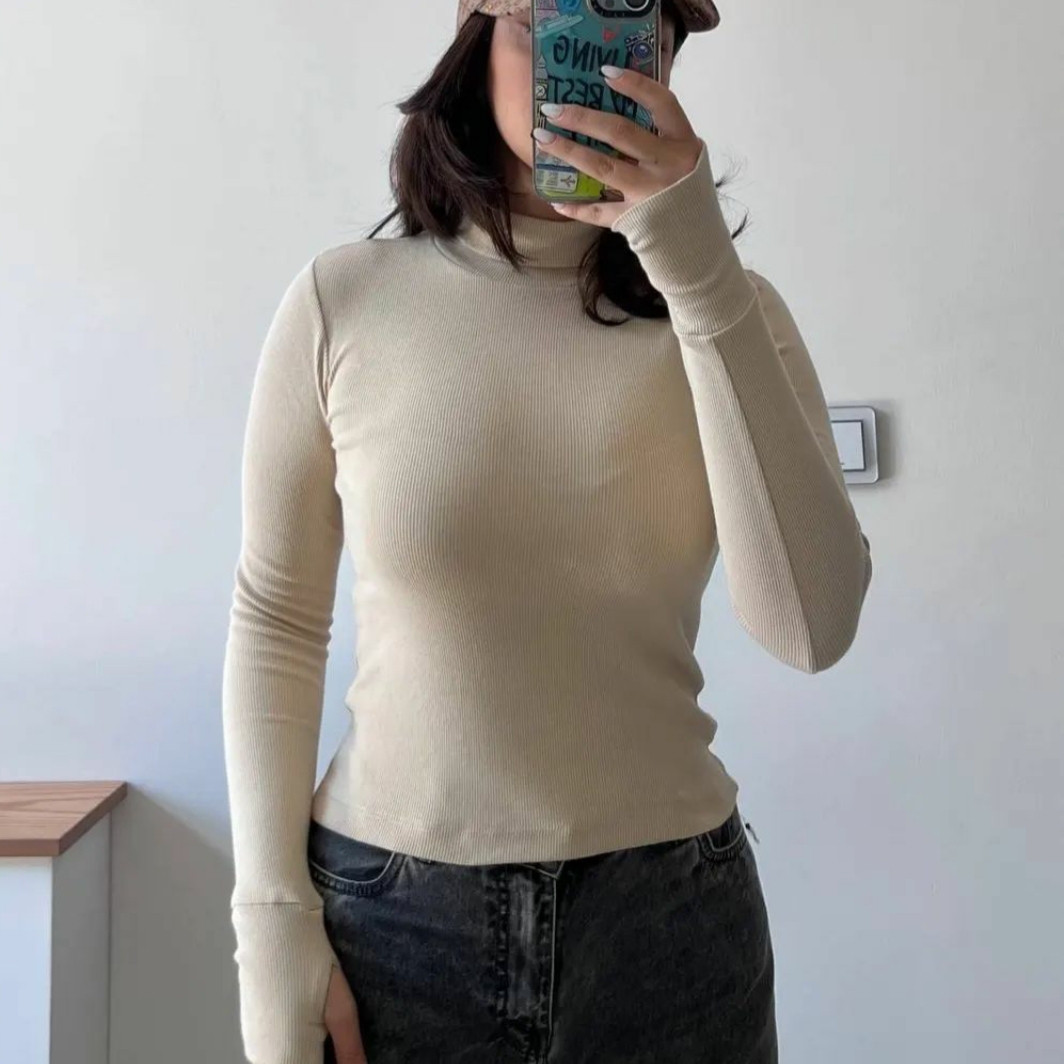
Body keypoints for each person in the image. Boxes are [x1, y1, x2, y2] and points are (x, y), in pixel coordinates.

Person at [220, 1, 873, 1062]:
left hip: (669, 926)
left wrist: (696, 268)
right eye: (544, 23)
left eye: (625, 32)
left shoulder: (727, 312)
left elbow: (812, 626)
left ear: (665, 58)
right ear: (478, 38)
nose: (582, 72)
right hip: (390, 924)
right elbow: (276, 621)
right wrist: (269, 924)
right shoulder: (344, 301)